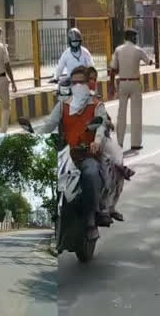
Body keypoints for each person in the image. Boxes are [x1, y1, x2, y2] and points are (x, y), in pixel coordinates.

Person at [39, 66, 108, 239]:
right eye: (74, 82)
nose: (77, 86)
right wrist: (34, 135)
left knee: (91, 173)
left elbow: (101, 126)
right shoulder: (63, 105)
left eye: (81, 82)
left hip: (87, 155)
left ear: (88, 83)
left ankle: (91, 221)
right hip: (66, 155)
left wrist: (97, 141)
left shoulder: (97, 105)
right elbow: (49, 124)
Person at [87, 66, 134, 222]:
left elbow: (104, 119)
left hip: (100, 139)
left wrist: (107, 122)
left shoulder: (96, 99)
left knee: (116, 164)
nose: (91, 82)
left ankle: (109, 207)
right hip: (81, 140)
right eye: (89, 79)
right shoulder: (70, 100)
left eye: (94, 79)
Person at [111, 28, 153, 151]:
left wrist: (111, 85)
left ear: (125, 38)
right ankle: (136, 143)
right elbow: (149, 62)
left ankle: (119, 142)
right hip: (134, 84)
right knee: (136, 114)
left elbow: (113, 69)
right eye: (135, 37)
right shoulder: (138, 50)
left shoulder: (118, 50)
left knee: (121, 115)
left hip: (122, 83)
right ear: (133, 38)